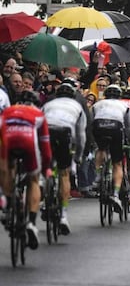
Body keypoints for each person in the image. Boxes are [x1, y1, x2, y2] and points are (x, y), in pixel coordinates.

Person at [0, 91, 52, 249]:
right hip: (28, 141)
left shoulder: (7, 111)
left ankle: (7, 205)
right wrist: (47, 166)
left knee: (7, 168)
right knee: (33, 180)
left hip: (7, 139)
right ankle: (31, 222)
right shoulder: (38, 113)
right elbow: (45, 144)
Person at [42, 83, 87, 234]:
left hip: (47, 133)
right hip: (65, 135)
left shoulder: (48, 104)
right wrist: (78, 157)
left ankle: (43, 185)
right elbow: (81, 136)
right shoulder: (77, 106)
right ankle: (63, 216)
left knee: (45, 165)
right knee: (64, 173)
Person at [91, 84, 130, 213]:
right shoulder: (124, 105)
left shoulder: (97, 104)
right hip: (116, 127)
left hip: (99, 125)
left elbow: (90, 122)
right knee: (117, 164)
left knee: (101, 149)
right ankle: (115, 194)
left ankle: (98, 176)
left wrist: (93, 141)